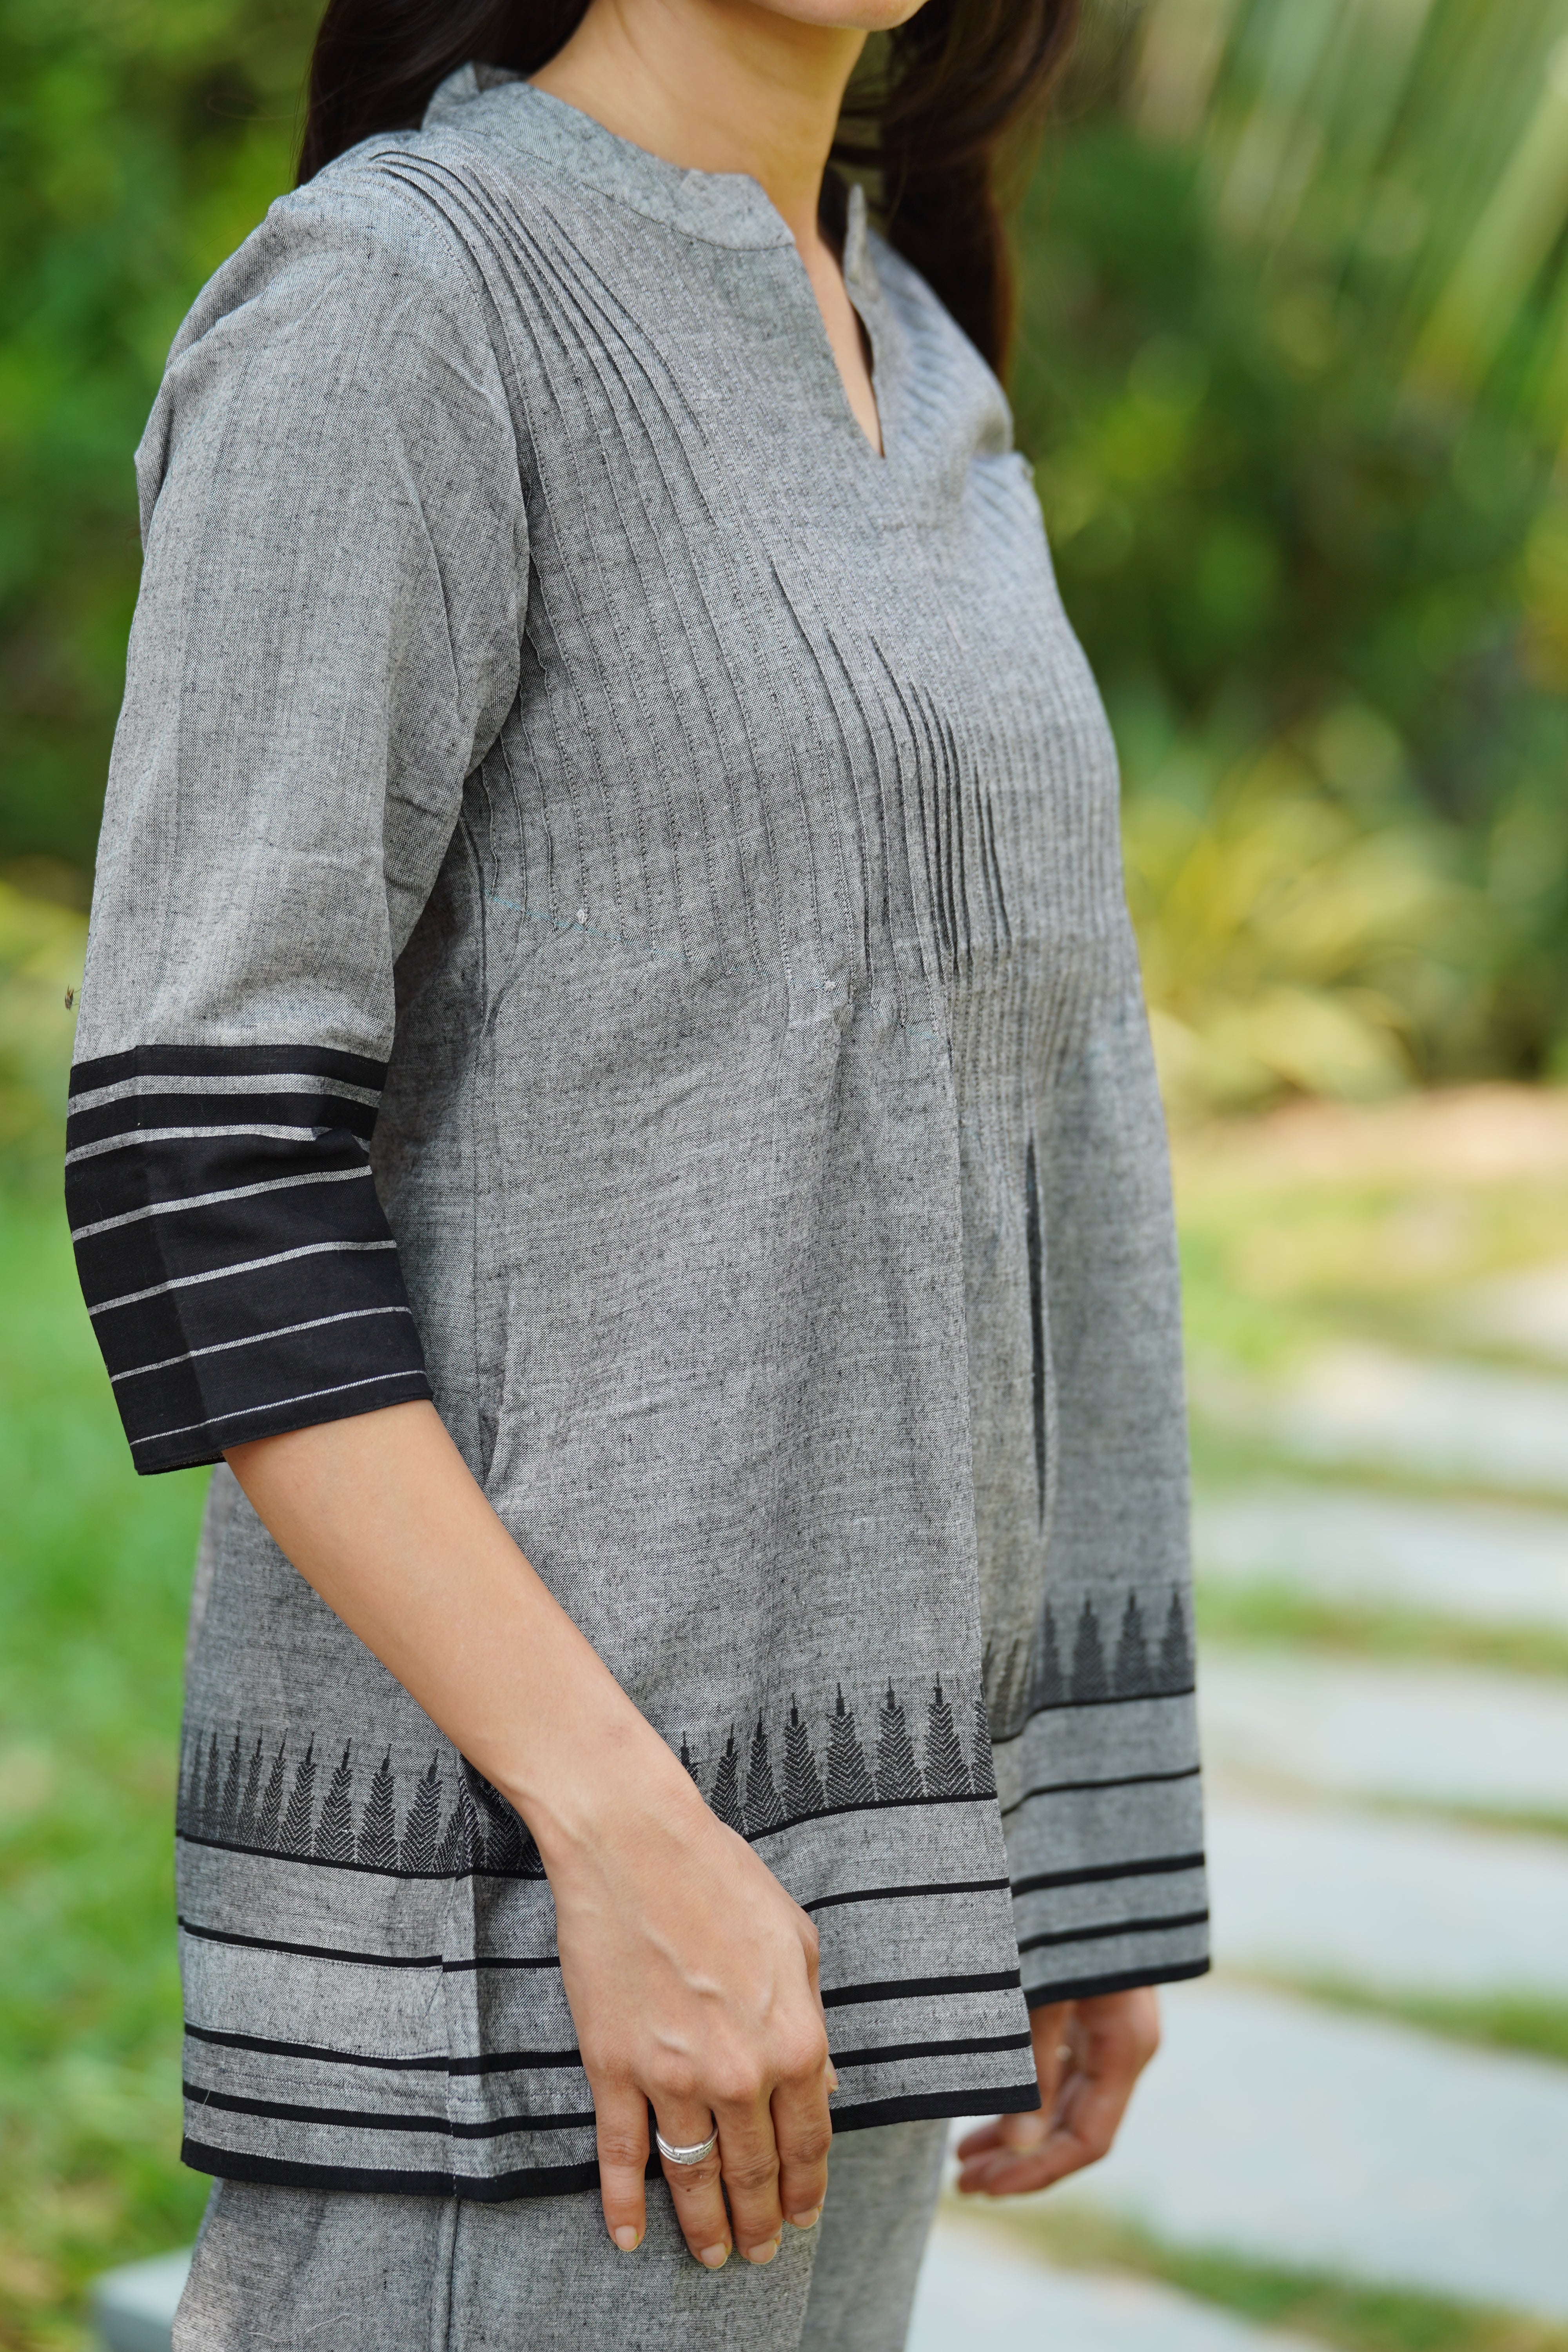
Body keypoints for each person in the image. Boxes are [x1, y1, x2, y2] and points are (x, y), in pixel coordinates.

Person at [65, 0, 1209, 2343]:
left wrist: (1072, 1838)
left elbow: (1037, 1107)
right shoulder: (404, 300)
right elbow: (202, 1160)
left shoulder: (911, 343)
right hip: (553, 1966)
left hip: (857, 1938)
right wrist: (621, 1831)